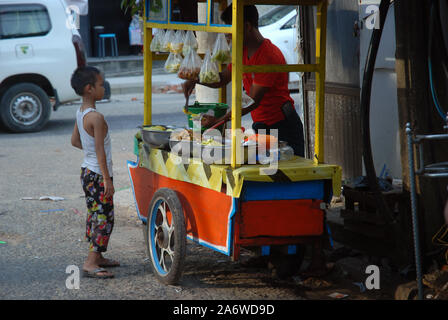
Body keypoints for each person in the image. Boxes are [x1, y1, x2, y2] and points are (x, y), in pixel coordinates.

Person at [182, 4, 305, 157]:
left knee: (283, 173)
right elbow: (222, 79)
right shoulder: (242, 52)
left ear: (247, 26)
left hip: (282, 125)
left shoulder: (268, 56)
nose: (229, 37)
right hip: (261, 124)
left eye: (231, 32)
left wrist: (219, 120)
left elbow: (252, 100)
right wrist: (195, 79)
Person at [70, 66, 119, 279]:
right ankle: (91, 262)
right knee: (104, 217)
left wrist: (90, 153)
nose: (103, 87)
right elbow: (99, 151)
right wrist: (107, 178)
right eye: (100, 84)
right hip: (98, 175)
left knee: (94, 213)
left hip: (87, 171)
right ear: (89, 88)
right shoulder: (96, 118)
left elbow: (74, 141)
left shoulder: (81, 112)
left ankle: (98, 257)